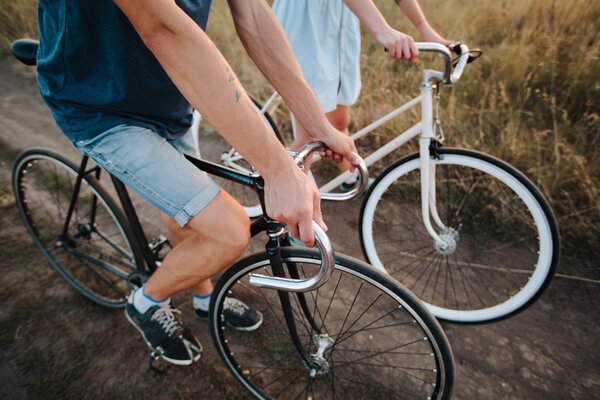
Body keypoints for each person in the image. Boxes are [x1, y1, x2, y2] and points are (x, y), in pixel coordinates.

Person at [36, 0, 359, 366]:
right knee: (228, 230)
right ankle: (145, 304)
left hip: (170, 93)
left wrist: (314, 121)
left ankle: (205, 300)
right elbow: (163, 27)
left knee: (187, 216)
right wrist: (279, 169)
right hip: (100, 105)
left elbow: (253, 13)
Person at [272, 0, 452, 189]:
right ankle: (279, 205)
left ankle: (349, 179)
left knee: (340, 123)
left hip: (344, 19)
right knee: (309, 137)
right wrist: (382, 29)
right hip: (305, 23)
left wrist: (426, 30)